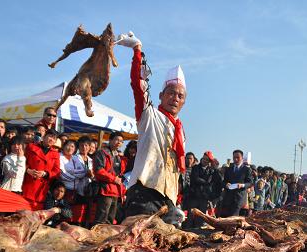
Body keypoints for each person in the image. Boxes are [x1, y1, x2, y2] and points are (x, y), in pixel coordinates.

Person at [118, 32, 187, 217]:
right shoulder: (149, 115)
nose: (175, 98)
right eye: (171, 93)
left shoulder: (180, 131)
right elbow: (138, 86)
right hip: (144, 193)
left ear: (184, 102)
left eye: (180, 96)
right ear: (161, 96)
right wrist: (137, 50)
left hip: (169, 198)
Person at [22, 129, 61, 210]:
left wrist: (45, 174)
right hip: (28, 184)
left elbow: (57, 171)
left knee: (36, 214)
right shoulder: (31, 147)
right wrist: (28, 170)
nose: (51, 139)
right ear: (44, 136)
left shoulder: (55, 154)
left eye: (54, 138)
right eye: (50, 136)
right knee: (23, 211)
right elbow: (21, 162)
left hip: (42, 188)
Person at [93, 131, 125, 225]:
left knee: (110, 220)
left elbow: (120, 175)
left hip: (116, 191)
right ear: (110, 140)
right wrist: (114, 179)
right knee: (101, 218)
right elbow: (99, 171)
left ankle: (106, 239)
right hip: (105, 189)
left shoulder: (118, 156)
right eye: (116, 139)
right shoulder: (101, 153)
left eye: (121, 141)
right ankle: (96, 238)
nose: (119, 142)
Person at [186, 151, 218, 228]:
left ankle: (198, 235)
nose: (204, 161)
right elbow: (196, 178)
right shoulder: (195, 168)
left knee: (200, 218)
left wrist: (215, 167)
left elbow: (217, 180)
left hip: (204, 198)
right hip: (194, 196)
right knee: (190, 216)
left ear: (209, 162)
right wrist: (207, 182)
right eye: (203, 159)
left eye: (207, 160)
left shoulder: (211, 170)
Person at [59, 139, 88, 221]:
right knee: (62, 213)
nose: (70, 148)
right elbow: (62, 174)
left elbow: (83, 171)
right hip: (63, 189)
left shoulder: (75, 158)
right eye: (68, 145)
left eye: (72, 146)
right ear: (64, 146)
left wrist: (71, 172)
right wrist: (76, 176)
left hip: (74, 191)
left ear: (75, 149)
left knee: (71, 214)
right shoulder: (59, 156)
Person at [220, 150, 253, 216]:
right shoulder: (229, 169)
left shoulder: (246, 169)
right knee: (227, 217)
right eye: (234, 157)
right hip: (228, 198)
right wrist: (226, 184)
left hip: (239, 197)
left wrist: (242, 185)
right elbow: (224, 182)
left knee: (234, 217)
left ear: (242, 158)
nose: (236, 159)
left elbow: (250, 183)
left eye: (238, 157)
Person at [73, 135, 95, 224]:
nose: (84, 147)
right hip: (76, 189)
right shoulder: (74, 158)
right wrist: (85, 173)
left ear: (89, 147)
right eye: (81, 145)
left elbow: (94, 175)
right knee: (77, 214)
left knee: (87, 214)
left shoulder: (91, 160)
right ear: (78, 146)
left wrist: (92, 175)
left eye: (86, 145)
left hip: (88, 190)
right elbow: (72, 172)